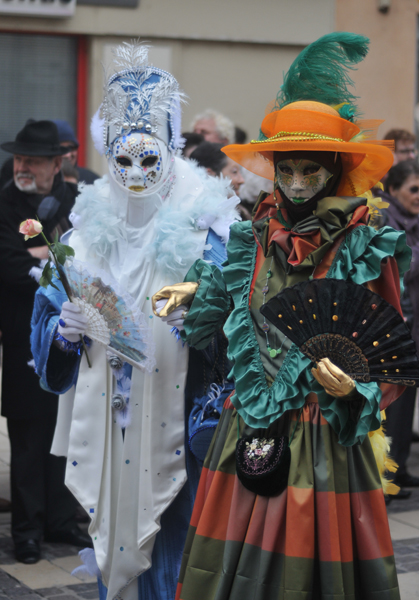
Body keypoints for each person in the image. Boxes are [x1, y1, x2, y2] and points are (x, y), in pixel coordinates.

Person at [154, 33, 409, 600]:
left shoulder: (364, 248)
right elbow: (227, 311)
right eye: (286, 170)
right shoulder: (251, 239)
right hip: (247, 430)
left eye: (309, 172)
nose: (295, 185)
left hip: (323, 447)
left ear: (335, 172)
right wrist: (195, 293)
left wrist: (353, 388)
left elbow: (390, 352)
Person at [31, 43, 238, 600]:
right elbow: (46, 326)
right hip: (110, 417)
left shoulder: (207, 238)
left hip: (178, 426)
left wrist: (201, 321)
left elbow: (240, 333)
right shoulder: (79, 240)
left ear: (171, 155)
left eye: (151, 160)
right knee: (116, 547)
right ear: (109, 159)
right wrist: (64, 333)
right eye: (125, 161)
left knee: (178, 550)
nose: (138, 173)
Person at [0, 120, 89, 564]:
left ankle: (61, 519)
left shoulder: (77, 202)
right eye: (19, 159)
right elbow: (8, 264)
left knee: (67, 430)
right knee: (29, 437)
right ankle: (28, 530)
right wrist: (48, 258)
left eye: (32, 160)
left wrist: (38, 256)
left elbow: (87, 257)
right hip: (21, 338)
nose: (22, 167)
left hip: (71, 337)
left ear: (57, 163)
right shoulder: (4, 202)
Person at [381, 161, 419, 472]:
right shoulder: (387, 219)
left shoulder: (414, 219)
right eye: (413, 189)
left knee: (407, 406)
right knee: (394, 408)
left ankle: (399, 471)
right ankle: (387, 478)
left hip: (416, 328)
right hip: (395, 332)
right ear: (393, 189)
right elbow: (399, 268)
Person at [53, 120, 99, 185]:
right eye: (62, 149)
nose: (68, 155)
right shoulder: (42, 185)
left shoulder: (93, 182)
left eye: (71, 148)